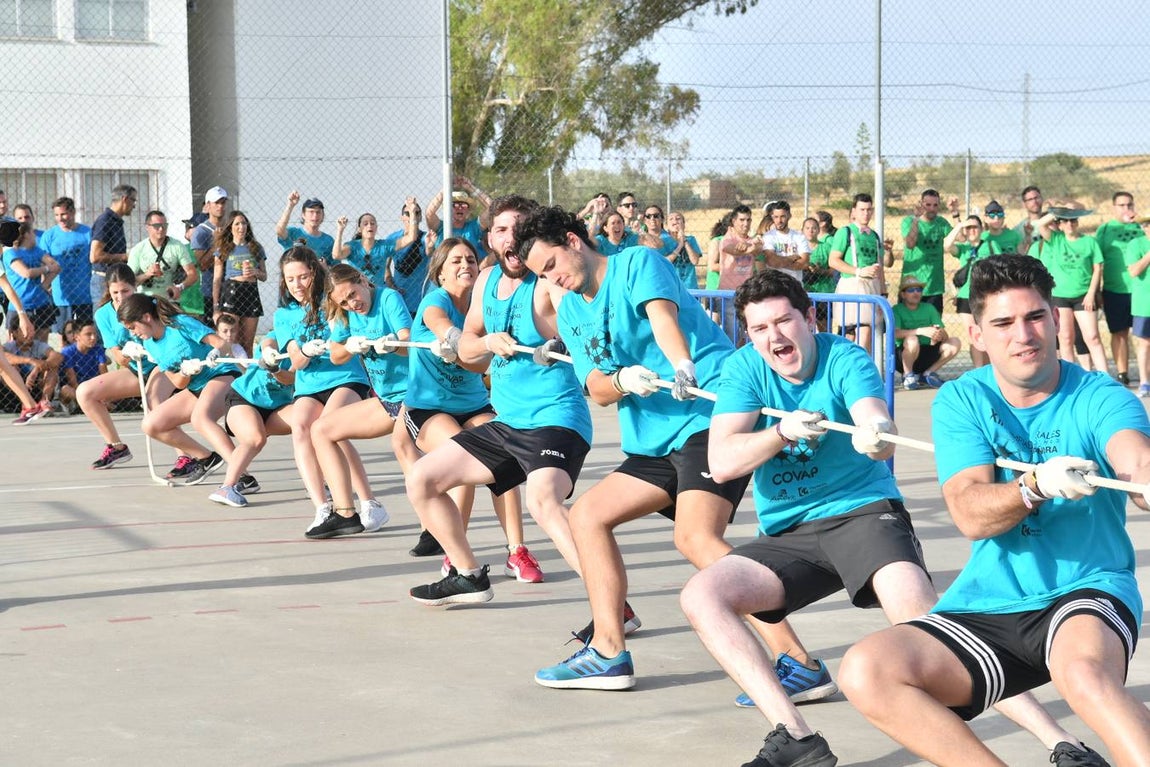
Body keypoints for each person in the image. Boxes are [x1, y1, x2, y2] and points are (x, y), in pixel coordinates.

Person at [682, 267, 1101, 767]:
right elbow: (722, 460)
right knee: (703, 594)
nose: (774, 337)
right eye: (759, 328)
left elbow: (874, 418)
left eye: (784, 321)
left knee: (935, 631)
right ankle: (795, 736)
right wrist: (782, 433)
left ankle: (1060, 742)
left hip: (864, 515)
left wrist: (873, 430)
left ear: (809, 317)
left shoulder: (844, 357)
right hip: (791, 533)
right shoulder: (745, 369)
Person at [839, 253, 1147, 767]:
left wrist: (1144, 479)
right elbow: (969, 512)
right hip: (989, 602)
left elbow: (1135, 459)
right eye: (1003, 323)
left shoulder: (1099, 395)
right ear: (977, 334)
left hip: (1086, 587)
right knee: (867, 669)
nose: (1023, 335)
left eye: (1035, 317)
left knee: (1084, 675)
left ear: (1054, 320)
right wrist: (1035, 485)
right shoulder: (963, 399)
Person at [517, 205, 751, 690]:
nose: (552, 280)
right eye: (543, 275)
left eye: (551, 266)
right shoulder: (573, 308)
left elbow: (662, 319)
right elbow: (597, 388)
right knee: (586, 517)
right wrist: (622, 379)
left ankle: (798, 663)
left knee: (695, 538)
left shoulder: (637, 263)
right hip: (654, 439)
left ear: (573, 240)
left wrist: (682, 364)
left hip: (708, 418)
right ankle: (608, 651)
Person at [406, 195, 589, 604]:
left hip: (554, 419)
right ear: (490, 237)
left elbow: (579, 332)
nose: (512, 238)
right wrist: (479, 342)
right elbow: (472, 354)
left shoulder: (545, 283)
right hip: (508, 423)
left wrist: (558, 341)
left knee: (543, 502)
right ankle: (468, 574)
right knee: (422, 479)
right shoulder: (487, 282)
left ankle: (613, 605)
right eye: (503, 229)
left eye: (521, 229)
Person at [399, 237, 527, 586]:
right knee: (461, 453)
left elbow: (477, 365)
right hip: (428, 408)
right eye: (455, 261)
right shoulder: (435, 300)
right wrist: (455, 339)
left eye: (470, 259)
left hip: (473, 404)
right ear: (440, 273)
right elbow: (438, 321)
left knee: (506, 458)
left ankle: (516, 551)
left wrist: (478, 350)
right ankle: (457, 556)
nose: (465, 265)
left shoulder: (482, 304)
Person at [271, 245, 377, 536]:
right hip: (309, 385)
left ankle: (369, 503)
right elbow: (296, 362)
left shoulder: (332, 299)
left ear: (314, 273)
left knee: (332, 428)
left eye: (303, 277)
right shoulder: (284, 315)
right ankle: (323, 508)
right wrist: (303, 348)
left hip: (345, 377)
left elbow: (352, 328)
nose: (297, 285)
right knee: (302, 426)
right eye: (290, 279)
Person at [308, 264, 414, 535]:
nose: (352, 303)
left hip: (413, 397)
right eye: (343, 301)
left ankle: (432, 528)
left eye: (353, 294)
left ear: (364, 281)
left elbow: (409, 342)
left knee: (404, 449)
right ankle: (346, 513)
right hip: (386, 401)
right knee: (321, 430)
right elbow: (335, 355)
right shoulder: (345, 315)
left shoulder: (388, 298)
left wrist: (393, 345)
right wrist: (348, 346)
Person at [117, 293, 238, 486]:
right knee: (151, 424)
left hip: (222, 376)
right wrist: (186, 371)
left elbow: (221, 344)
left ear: (146, 317)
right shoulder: (150, 345)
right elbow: (179, 383)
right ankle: (206, 458)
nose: (133, 333)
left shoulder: (179, 323)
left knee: (200, 419)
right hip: (196, 387)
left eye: (133, 327)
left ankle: (242, 476)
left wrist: (215, 353)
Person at [80, 264, 180, 471]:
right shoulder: (103, 314)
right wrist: (128, 353)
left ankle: (187, 457)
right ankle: (116, 447)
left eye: (125, 291)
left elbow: (171, 336)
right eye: (115, 292)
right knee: (85, 392)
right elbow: (116, 354)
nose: (120, 296)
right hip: (136, 367)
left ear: (135, 287)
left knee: (154, 402)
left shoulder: (148, 304)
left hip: (161, 364)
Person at [208, 335, 289, 508]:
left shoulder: (307, 345)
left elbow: (292, 378)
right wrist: (268, 352)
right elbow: (268, 342)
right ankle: (227, 487)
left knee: (311, 422)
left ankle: (324, 483)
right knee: (255, 439)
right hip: (244, 399)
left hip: (277, 407)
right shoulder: (277, 334)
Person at [1032, 206, 1109, 372]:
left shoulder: (1089, 242)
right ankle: (1071, 378)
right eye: (1065, 221)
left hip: (1083, 295)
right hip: (1060, 296)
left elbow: (1097, 269)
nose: (1069, 223)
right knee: (1066, 338)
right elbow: (1040, 225)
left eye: (1073, 220)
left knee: (1092, 337)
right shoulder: (1055, 239)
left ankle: (1106, 378)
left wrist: (1090, 294)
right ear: (1059, 224)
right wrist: (1059, 212)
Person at [829, 193, 887, 352]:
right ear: (853, 211)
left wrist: (883, 294)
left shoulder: (874, 236)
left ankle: (857, 369)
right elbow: (833, 261)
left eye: (869, 209)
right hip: (852, 285)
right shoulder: (845, 232)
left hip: (872, 288)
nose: (866, 213)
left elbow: (880, 267)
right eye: (862, 209)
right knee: (855, 332)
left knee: (862, 332)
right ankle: (856, 370)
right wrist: (859, 271)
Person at [1096, 192, 1141, 385]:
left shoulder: (1142, 227)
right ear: (1113, 207)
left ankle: (1145, 373)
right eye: (1121, 205)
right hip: (1115, 289)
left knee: (1144, 335)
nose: (1126, 209)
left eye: (1129, 205)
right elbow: (1095, 262)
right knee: (1119, 332)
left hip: (1141, 290)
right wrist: (1097, 291)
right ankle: (1123, 374)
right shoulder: (1105, 230)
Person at [945, 214, 1001, 369]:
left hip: (986, 295)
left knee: (988, 334)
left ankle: (992, 368)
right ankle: (979, 370)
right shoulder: (963, 249)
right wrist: (959, 226)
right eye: (969, 228)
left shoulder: (991, 245)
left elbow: (1000, 264)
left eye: (975, 227)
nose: (972, 231)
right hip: (966, 297)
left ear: (981, 229)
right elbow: (946, 245)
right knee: (974, 335)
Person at [892, 273, 961, 388]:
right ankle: (908, 376)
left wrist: (939, 334)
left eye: (919, 289)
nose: (916, 293)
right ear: (903, 295)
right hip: (904, 355)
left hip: (926, 352)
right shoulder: (896, 309)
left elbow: (944, 335)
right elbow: (895, 333)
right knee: (912, 340)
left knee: (954, 342)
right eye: (911, 290)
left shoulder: (929, 308)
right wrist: (920, 331)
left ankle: (928, 374)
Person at [212, 210, 266, 356]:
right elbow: (217, 279)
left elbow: (264, 276)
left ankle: (249, 375)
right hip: (232, 292)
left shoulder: (255, 247)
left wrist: (255, 272)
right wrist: (216, 307)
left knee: (248, 343)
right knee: (231, 340)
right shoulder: (223, 249)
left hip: (251, 292)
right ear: (230, 227)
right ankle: (232, 373)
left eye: (244, 223)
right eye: (237, 224)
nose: (241, 227)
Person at [129, 210, 201, 318]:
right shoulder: (138, 249)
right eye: (157, 226)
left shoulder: (177, 246)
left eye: (164, 225)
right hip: (145, 300)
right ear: (147, 227)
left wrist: (179, 287)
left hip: (169, 301)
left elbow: (193, 274)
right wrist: (147, 275)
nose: (161, 229)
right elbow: (129, 281)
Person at [332, 201, 419, 289]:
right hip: (358, 292)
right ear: (359, 229)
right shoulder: (352, 247)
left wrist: (412, 213)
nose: (369, 225)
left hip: (377, 292)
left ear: (376, 227)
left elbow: (411, 238)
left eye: (372, 223)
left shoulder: (384, 246)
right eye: (365, 224)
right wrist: (340, 230)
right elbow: (336, 255)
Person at [40, 196, 94, 333]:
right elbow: (42, 261)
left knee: (85, 333)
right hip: (61, 296)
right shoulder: (49, 235)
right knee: (64, 334)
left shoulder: (87, 233)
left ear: (73, 212)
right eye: (56, 215)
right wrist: (45, 282)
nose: (60, 218)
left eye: (63, 214)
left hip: (84, 294)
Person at [901, 189, 959, 312]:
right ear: (921, 204)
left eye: (935, 205)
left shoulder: (941, 223)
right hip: (911, 287)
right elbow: (910, 244)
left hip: (934, 287)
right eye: (928, 205)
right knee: (909, 328)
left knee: (934, 329)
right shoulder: (909, 221)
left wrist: (955, 213)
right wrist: (916, 220)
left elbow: (961, 237)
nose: (931, 209)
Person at [3, 220, 59, 339]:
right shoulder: (11, 253)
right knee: (17, 345)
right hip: (19, 305)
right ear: (27, 234)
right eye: (33, 233)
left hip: (40, 304)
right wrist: (47, 268)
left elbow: (56, 267)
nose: (35, 236)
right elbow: (26, 273)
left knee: (42, 345)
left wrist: (45, 284)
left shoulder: (37, 251)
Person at [718, 204, 765, 340]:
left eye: (748, 220)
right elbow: (733, 249)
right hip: (728, 294)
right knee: (732, 334)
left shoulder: (752, 240)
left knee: (751, 332)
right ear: (734, 221)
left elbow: (758, 249)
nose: (746, 224)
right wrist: (751, 246)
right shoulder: (727, 239)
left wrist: (751, 245)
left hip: (747, 293)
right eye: (742, 220)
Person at [89, 185, 136, 305]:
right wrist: (124, 257)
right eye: (133, 200)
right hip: (104, 280)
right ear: (125, 199)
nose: (134, 205)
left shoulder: (115, 221)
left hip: (114, 278)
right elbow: (95, 256)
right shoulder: (105, 221)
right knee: (104, 318)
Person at [3, 315, 62, 408]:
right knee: (10, 367)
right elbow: (3, 357)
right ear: (14, 333)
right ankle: (23, 401)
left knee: (52, 368)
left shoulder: (39, 345)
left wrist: (37, 369)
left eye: (32, 330)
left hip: (36, 386)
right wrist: (30, 360)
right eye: (25, 330)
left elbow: (57, 356)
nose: (30, 334)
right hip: (12, 392)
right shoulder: (9, 347)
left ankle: (44, 402)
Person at [426, 178, 492, 263]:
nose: (460, 208)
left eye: (464, 205)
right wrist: (446, 188)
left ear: (468, 211)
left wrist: (471, 188)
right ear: (448, 209)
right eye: (455, 205)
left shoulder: (473, 227)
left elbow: (492, 207)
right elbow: (429, 213)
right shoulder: (440, 227)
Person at [384, 199, 430, 316]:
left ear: (420, 217)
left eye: (416, 212)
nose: (412, 216)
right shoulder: (392, 238)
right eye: (408, 213)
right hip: (399, 299)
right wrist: (392, 286)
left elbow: (431, 253)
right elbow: (385, 267)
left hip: (421, 299)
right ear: (402, 217)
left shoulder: (426, 238)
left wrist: (431, 246)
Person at [188, 186, 227, 321]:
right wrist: (217, 243)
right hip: (210, 291)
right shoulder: (201, 231)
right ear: (208, 205)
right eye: (217, 203)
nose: (220, 206)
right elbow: (202, 265)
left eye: (223, 202)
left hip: (231, 289)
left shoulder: (230, 228)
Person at [1123, 217, 1150, 397]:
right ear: (1144, 227)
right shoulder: (1136, 244)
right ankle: (1145, 381)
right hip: (1144, 303)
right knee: (1145, 343)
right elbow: (1133, 271)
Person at [58, 319, 106, 416]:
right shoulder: (68, 352)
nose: (93, 338)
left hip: (94, 388)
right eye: (88, 334)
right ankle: (89, 404)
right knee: (65, 390)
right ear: (77, 337)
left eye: (94, 334)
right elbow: (73, 381)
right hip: (76, 390)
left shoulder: (98, 349)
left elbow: (104, 374)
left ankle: (95, 403)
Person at [760, 200, 811, 284]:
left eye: (783, 216)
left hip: (795, 285)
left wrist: (779, 262)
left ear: (789, 216)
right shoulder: (768, 237)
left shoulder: (799, 236)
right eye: (776, 217)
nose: (779, 220)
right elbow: (772, 261)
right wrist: (791, 258)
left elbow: (804, 264)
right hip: (775, 284)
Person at [276, 192, 334, 264]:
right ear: (303, 215)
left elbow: (334, 266)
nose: (315, 216)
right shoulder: (294, 233)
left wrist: (325, 268)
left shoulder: (328, 240)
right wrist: (290, 205)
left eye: (318, 212)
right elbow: (279, 231)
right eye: (311, 212)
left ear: (323, 215)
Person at [666, 211, 702, 290]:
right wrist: (679, 245)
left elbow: (695, 261)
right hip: (672, 286)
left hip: (689, 286)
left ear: (684, 224)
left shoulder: (691, 239)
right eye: (671, 219)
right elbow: (665, 261)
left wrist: (684, 241)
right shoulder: (665, 241)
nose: (675, 220)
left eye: (678, 219)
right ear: (667, 226)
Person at [1013, 184, 1045, 251]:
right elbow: (1022, 252)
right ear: (1024, 204)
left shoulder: (1052, 222)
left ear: (1042, 199)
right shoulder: (1018, 230)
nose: (1034, 201)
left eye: (1036, 198)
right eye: (1030, 199)